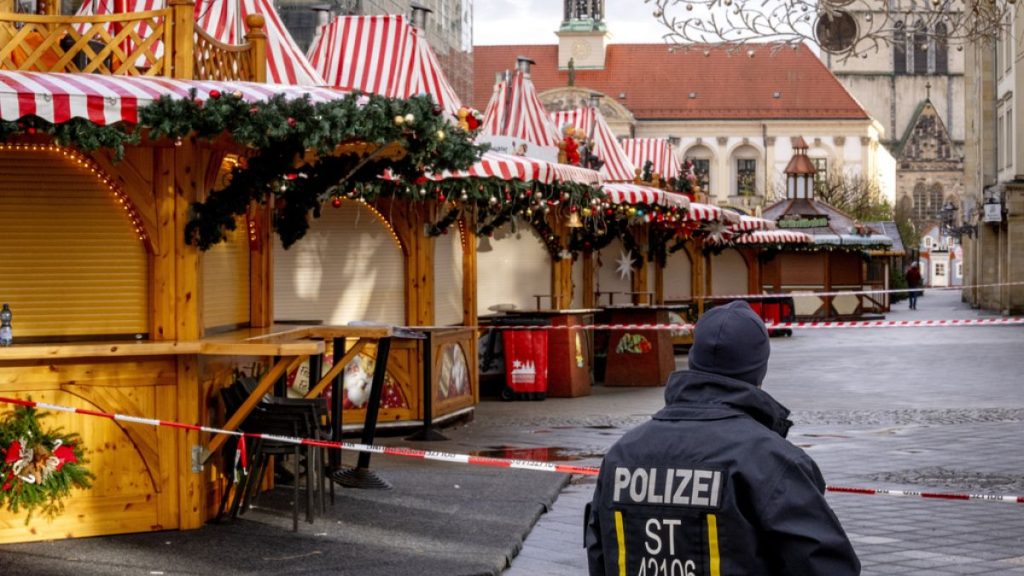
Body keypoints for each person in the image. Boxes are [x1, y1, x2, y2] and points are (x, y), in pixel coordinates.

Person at [585, 301, 860, 576]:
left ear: (694, 361)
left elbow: (600, 556)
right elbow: (829, 567)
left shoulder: (622, 454)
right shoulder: (772, 462)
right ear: (758, 372)